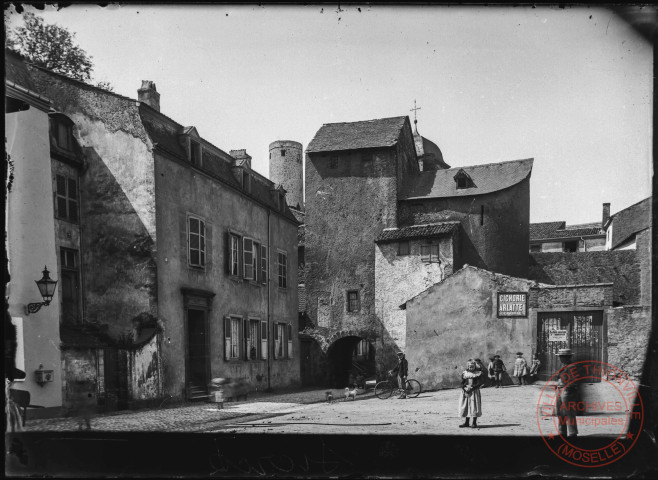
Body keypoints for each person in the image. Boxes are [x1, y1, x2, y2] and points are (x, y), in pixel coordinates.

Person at [555, 348, 578, 438]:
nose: (560, 358)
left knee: (569, 412)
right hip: (560, 389)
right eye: (560, 356)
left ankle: (572, 433)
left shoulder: (571, 366)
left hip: (567, 391)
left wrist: (567, 388)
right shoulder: (563, 365)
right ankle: (562, 432)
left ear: (567, 357)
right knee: (560, 413)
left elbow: (574, 380)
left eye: (562, 356)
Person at [458, 359, 483, 428]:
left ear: (475, 366)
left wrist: (472, 388)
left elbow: (479, 383)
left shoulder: (478, 373)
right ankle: (466, 422)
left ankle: (474, 422)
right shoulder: (464, 373)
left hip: (474, 392)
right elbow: (462, 382)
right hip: (466, 392)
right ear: (467, 366)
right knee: (467, 406)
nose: (470, 368)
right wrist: (464, 388)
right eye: (469, 366)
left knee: (474, 406)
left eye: (472, 366)